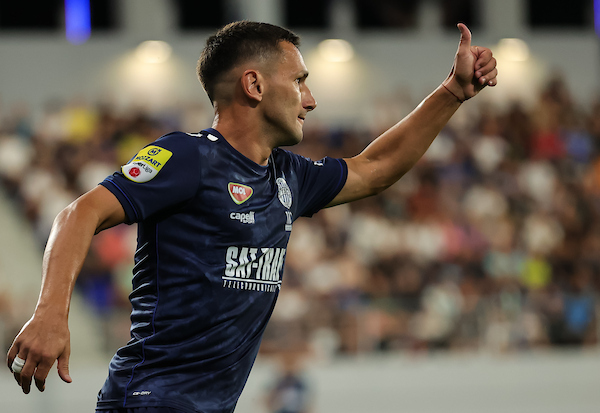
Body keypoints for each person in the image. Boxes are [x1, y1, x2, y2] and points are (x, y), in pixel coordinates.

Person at [6, 20, 497, 413]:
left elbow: (375, 169)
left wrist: (453, 92)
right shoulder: (188, 157)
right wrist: (50, 313)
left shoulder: (289, 176)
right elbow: (78, 213)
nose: (311, 100)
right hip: (152, 399)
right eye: (300, 81)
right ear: (254, 84)